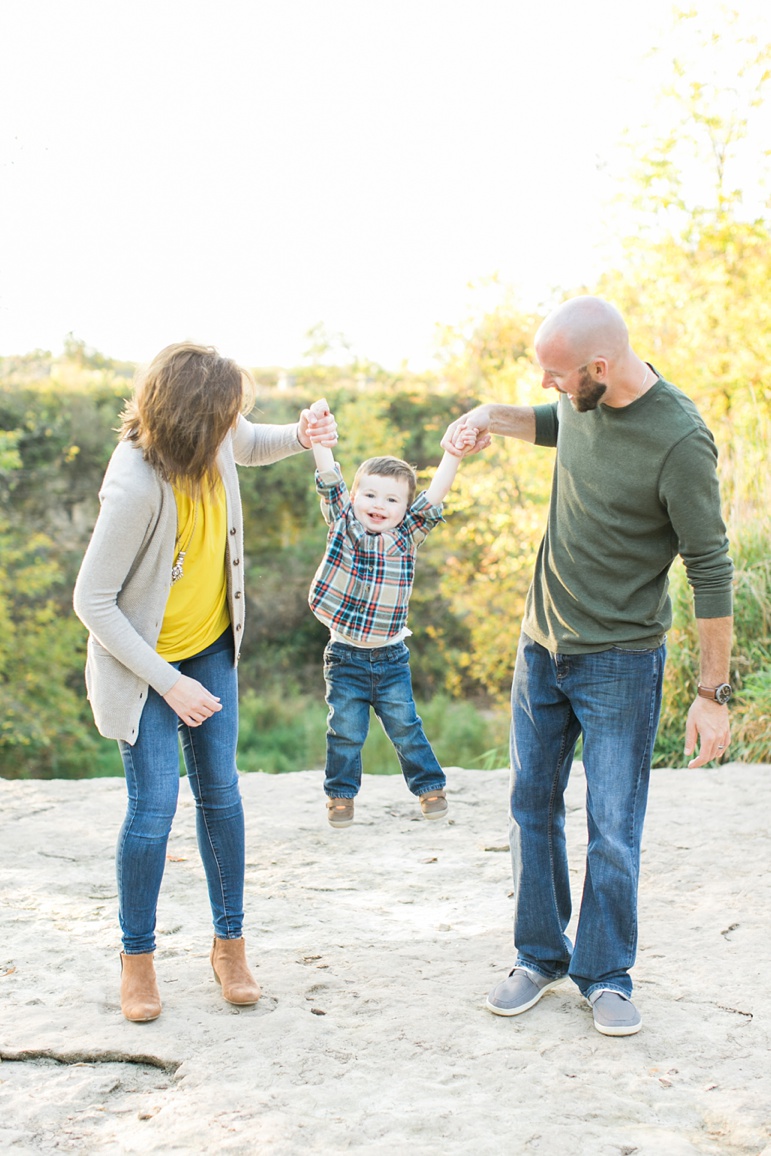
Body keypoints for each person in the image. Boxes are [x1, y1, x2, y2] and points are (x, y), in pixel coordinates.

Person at [444, 296, 733, 1036]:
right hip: (540, 647)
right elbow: (550, 424)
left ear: (597, 369)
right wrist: (485, 415)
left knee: (612, 826)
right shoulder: (578, 398)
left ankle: (604, 974)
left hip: (620, 663)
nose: (548, 387)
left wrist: (712, 693)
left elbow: (710, 569)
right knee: (530, 807)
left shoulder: (679, 440)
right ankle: (538, 956)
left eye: (555, 376)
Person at [73, 342, 337, 1023]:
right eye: (225, 417)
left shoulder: (215, 439)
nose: (234, 426)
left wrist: (302, 437)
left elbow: (252, 443)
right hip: (146, 667)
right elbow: (92, 601)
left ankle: (230, 947)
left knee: (221, 794)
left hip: (211, 645)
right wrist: (169, 684)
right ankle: (138, 960)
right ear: (193, 424)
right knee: (154, 808)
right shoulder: (135, 484)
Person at [305, 399, 483, 828]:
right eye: (369, 494)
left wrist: (452, 455)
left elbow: (435, 496)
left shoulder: (406, 537)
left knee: (405, 725)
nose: (378, 504)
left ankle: (429, 787)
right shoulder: (344, 524)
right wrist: (318, 437)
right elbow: (329, 480)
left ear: (405, 509)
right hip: (345, 655)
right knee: (345, 731)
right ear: (354, 497)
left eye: (390, 499)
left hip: (390, 658)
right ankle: (341, 796)